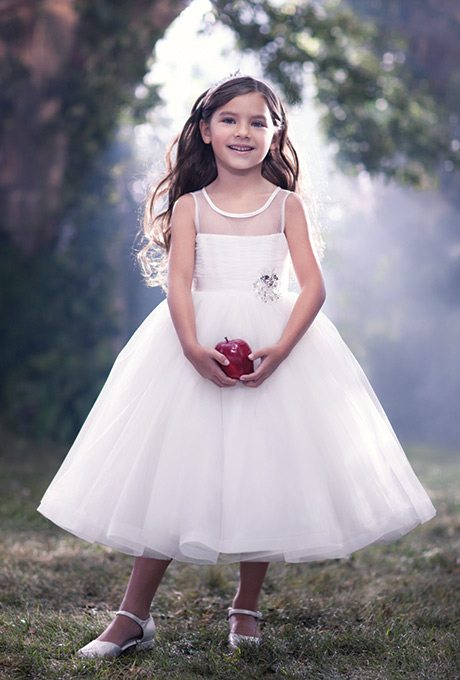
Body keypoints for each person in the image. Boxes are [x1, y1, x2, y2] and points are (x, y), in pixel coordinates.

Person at [37, 74, 437, 659]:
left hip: (273, 346)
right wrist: (192, 346)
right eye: (229, 119)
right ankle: (131, 617)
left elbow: (313, 288)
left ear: (276, 135)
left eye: (258, 121)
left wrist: (282, 349)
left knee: (263, 470)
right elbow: (177, 283)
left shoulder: (288, 205)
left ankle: (245, 607)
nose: (243, 131)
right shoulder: (191, 206)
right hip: (191, 345)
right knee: (171, 470)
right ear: (205, 130)